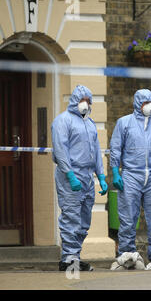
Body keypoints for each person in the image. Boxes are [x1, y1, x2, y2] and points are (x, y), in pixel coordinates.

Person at [110, 89, 151, 270]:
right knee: (128, 217)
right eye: (145, 102)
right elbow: (116, 149)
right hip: (131, 174)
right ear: (138, 103)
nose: (149, 106)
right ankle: (127, 255)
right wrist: (116, 172)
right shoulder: (124, 123)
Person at [51, 85, 108, 271]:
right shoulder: (63, 121)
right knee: (71, 217)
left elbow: (96, 152)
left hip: (88, 177)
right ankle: (68, 258)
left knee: (84, 220)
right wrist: (70, 175)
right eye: (82, 99)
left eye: (88, 100)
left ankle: (74, 255)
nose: (86, 103)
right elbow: (61, 150)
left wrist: (101, 175)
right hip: (71, 176)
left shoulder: (90, 124)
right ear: (75, 100)